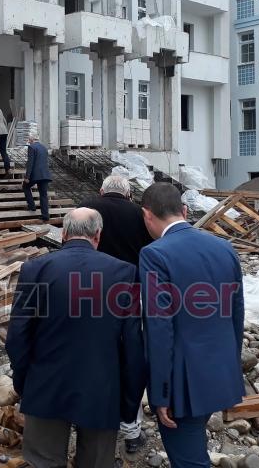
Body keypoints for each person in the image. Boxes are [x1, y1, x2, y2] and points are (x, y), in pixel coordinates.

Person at [7, 207, 146, 468]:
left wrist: (24, 381)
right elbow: (133, 346)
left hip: (45, 385)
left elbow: (17, 336)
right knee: (95, 462)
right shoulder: (124, 274)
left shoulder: (35, 269)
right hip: (102, 391)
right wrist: (129, 403)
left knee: (43, 462)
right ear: (98, 235)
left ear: (64, 233)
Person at [139, 183, 244, 468]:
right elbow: (236, 313)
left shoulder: (154, 254)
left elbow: (159, 328)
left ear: (147, 215)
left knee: (188, 460)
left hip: (182, 380)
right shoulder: (224, 247)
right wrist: (232, 371)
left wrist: (160, 392)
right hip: (220, 370)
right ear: (184, 211)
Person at [79, 174, 154, 454]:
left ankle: (89, 415)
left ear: (101, 191)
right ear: (129, 194)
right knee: (130, 359)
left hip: (89, 293)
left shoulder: (86, 207)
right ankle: (131, 429)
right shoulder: (140, 214)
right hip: (131, 294)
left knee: (93, 354)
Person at [23, 135, 51, 222]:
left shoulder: (31, 147)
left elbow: (30, 163)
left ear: (31, 140)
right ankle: (45, 215)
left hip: (36, 174)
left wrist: (27, 177)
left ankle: (32, 206)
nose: (29, 142)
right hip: (45, 174)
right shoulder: (44, 147)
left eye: (29, 140)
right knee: (43, 195)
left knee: (25, 186)